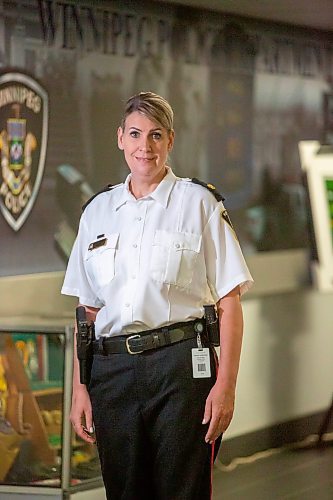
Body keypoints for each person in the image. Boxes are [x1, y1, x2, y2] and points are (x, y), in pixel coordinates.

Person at [61, 91, 253, 500]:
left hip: (180, 370)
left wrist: (227, 385)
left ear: (170, 140)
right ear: (120, 138)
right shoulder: (96, 211)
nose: (144, 147)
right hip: (111, 373)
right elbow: (87, 312)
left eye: (155, 135)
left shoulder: (198, 203)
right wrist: (81, 388)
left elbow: (230, 302)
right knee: (124, 491)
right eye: (135, 134)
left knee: (182, 491)